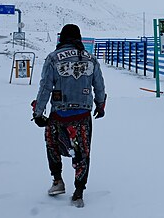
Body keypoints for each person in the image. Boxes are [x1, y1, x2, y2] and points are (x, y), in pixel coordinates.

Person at [32, 24, 106, 208]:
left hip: (58, 113)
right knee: (83, 152)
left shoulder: (53, 58)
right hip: (83, 115)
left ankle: (57, 181)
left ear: (62, 39)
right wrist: (100, 105)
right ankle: (79, 193)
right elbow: (99, 85)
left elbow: (45, 88)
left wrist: (38, 112)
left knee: (52, 145)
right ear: (79, 38)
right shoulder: (91, 59)